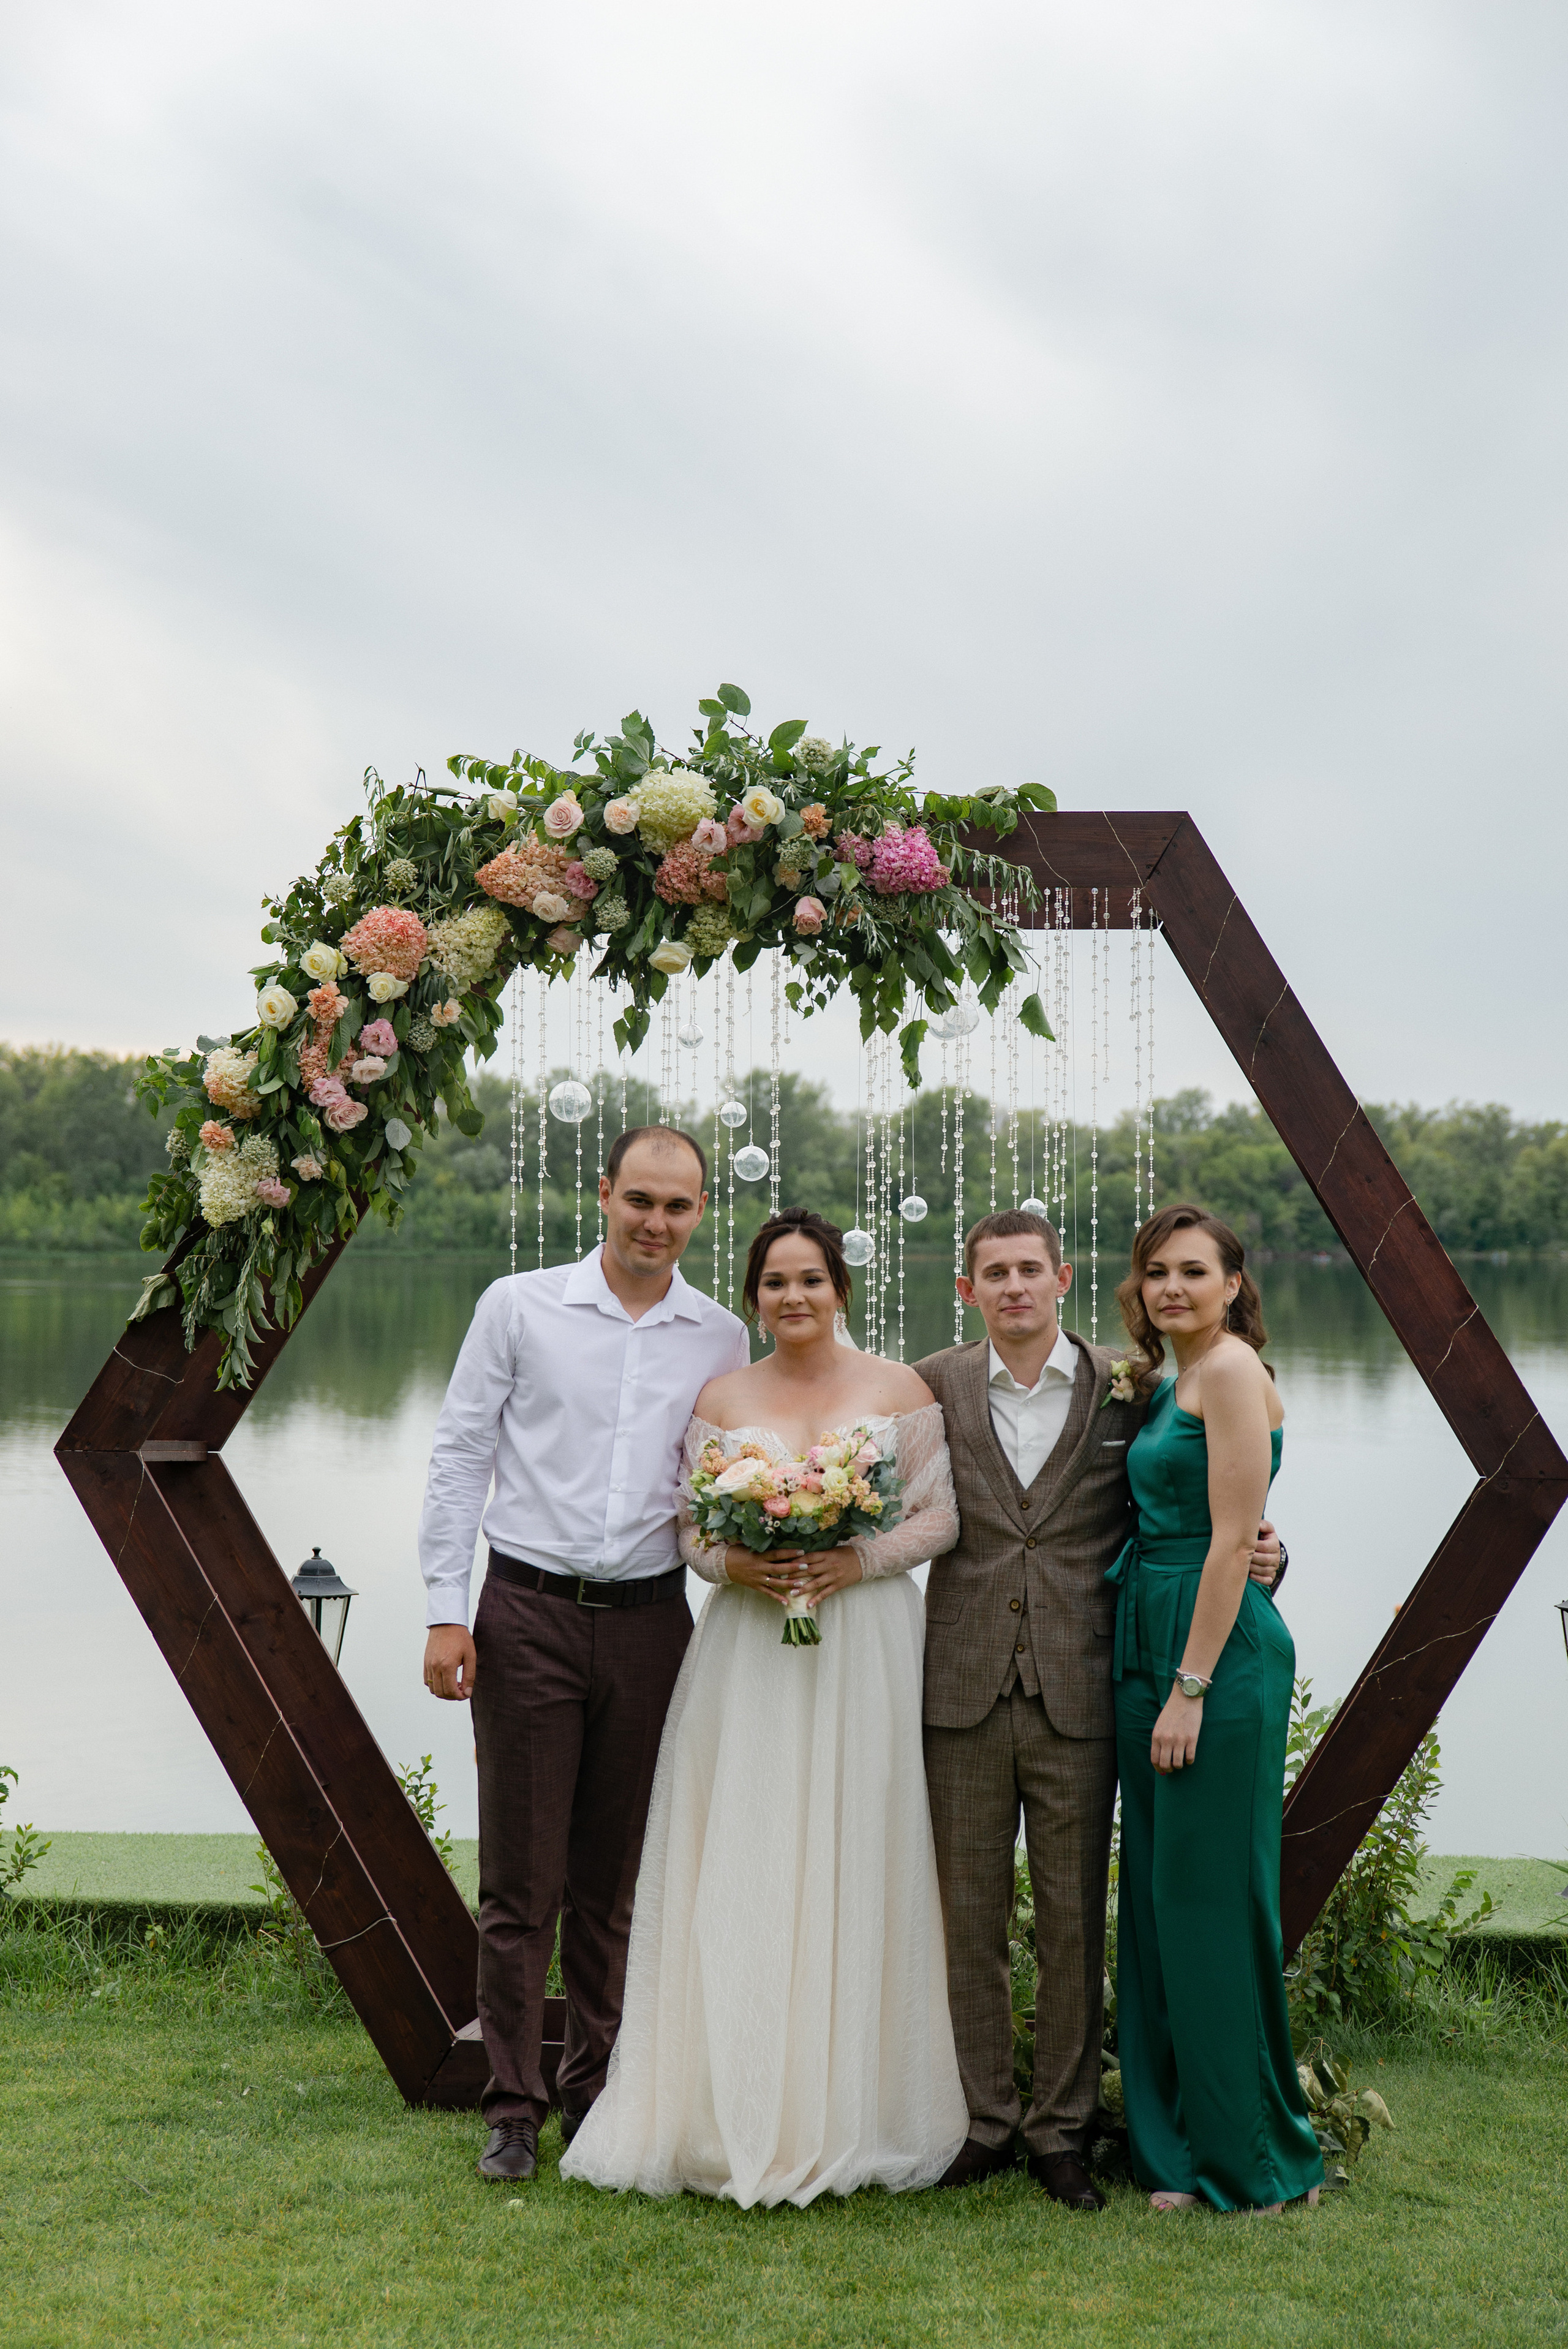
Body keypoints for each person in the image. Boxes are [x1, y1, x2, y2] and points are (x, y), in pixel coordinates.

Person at [561, 1206, 968, 2206]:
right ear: (753, 1297)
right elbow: (690, 1531)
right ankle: (721, 2102)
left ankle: (854, 2104)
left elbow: (941, 1516)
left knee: (858, 1841)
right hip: (750, 1643)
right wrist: (736, 1564)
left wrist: (857, 1559)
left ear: (840, 1289)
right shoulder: (724, 1395)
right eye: (776, 1281)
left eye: (811, 1279)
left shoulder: (899, 1388)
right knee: (747, 1842)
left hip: (865, 1640)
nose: (795, 1296)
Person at [913, 1209, 1283, 2211]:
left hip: (1086, 1684)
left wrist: (1271, 1550)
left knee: (1074, 1921)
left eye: (1030, 1268)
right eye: (994, 1272)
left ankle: (1062, 2130)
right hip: (961, 1686)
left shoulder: (1139, 1382)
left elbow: (1212, 1499)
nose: (1014, 1286)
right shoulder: (932, 1382)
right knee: (968, 1919)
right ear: (968, 1288)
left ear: (1064, 1277)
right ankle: (985, 2119)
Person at [418, 1126, 748, 2185]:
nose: (657, 1221)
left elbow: (726, 1479)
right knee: (521, 1883)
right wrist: (445, 1609)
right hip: (526, 1614)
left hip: (654, 1622)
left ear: (700, 1213)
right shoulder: (519, 1306)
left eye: (678, 1205)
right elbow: (460, 1452)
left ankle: (595, 2097)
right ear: (604, 1192)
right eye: (640, 1199)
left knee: (616, 1887)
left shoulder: (721, 1335)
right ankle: (513, 2107)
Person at [1108, 1203, 1322, 2214]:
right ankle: (1182, 2141)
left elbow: (1236, 1540)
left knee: (1210, 1903)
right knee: (1161, 1902)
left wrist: (1189, 1688)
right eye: (1157, 1270)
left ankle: (1253, 2163)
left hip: (1212, 1655)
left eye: (1194, 1270)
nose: (1172, 1287)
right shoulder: (1166, 1377)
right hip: (1148, 1629)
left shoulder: (1231, 1370)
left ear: (1234, 1283)